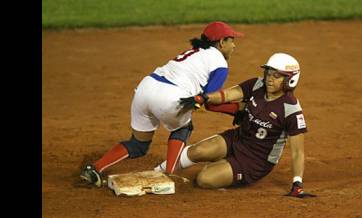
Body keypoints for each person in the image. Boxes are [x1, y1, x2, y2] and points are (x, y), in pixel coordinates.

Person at [80, 21, 244, 187]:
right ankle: (170, 174)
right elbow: (211, 101)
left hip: (145, 89)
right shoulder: (220, 63)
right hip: (170, 96)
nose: (234, 45)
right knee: (183, 128)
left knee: (138, 144)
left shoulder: (194, 52)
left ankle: (94, 168)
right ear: (222, 42)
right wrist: (237, 110)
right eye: (231, 40)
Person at [155, 53, 316, 198]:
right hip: (238, 138)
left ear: (290, 80)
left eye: (277, 76)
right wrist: (203, 98)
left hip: (254, 161)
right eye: (268, 73)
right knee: (198, 151)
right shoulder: (257, 85)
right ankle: (158, 172)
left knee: (204, 179)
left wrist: (297, 184)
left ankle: (224, 167)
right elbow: (227, 95)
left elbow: (297, 152)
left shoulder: (291, 110)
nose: (269, 78)